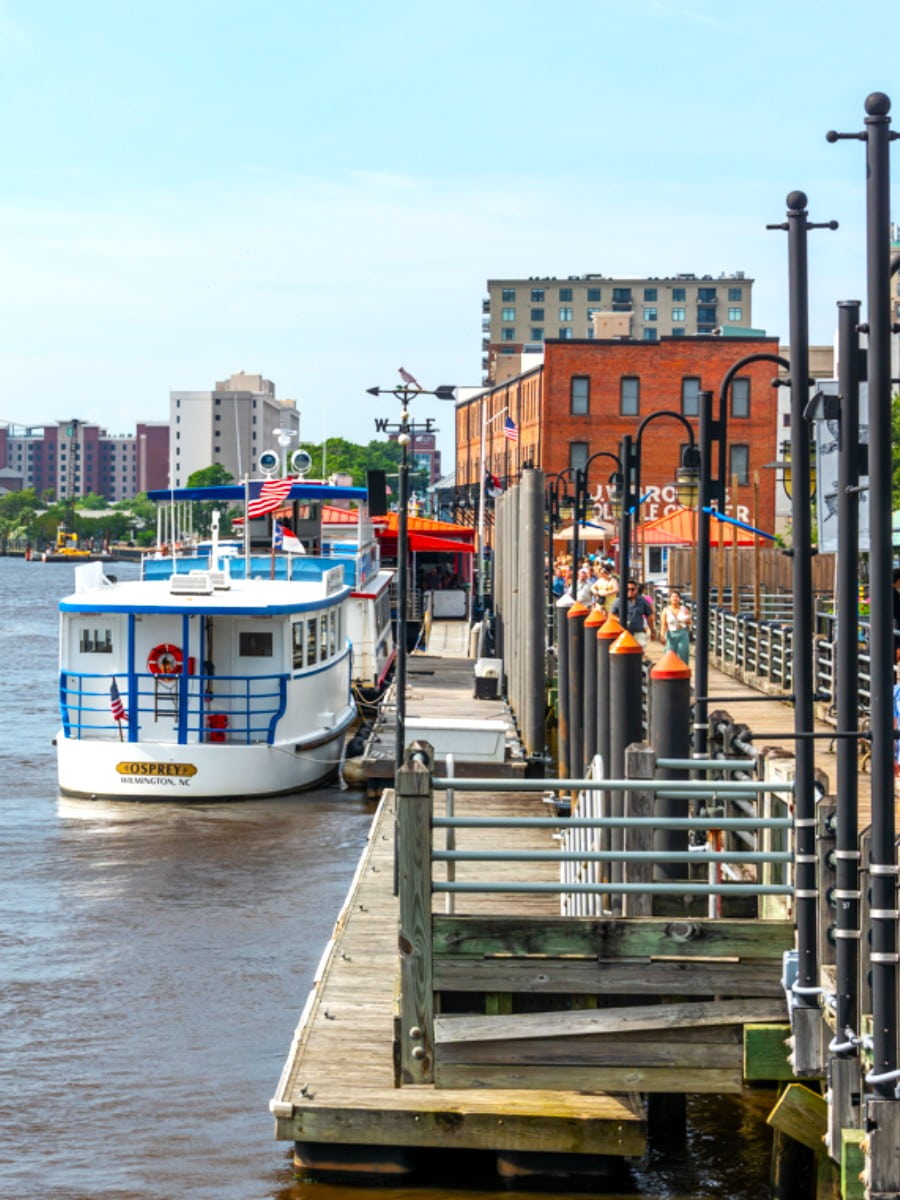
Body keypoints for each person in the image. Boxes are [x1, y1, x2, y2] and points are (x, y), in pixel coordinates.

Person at [612, 579, 653, 647]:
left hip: (638, 631)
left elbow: (649, 616)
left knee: (640, 650)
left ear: (636, 589)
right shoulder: (618, 601)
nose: (630, 591)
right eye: (628, 589)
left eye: (632, 589)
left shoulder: (642, 601)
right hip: (623, 633)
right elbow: (611, 615)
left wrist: (652, 630)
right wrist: (619, 620)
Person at [660, 589, 691, 662]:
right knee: (669, 655)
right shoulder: (666, 610)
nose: (675, 598)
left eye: (677, 597)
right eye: (673, 597)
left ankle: (683, 671)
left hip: (682, 633)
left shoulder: (684, 609)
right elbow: (663, 624)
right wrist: (662, 636)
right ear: (670, 599)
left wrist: (684, 619)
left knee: (682, 654)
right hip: (671, 633)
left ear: (679, 599)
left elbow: (689, 622)